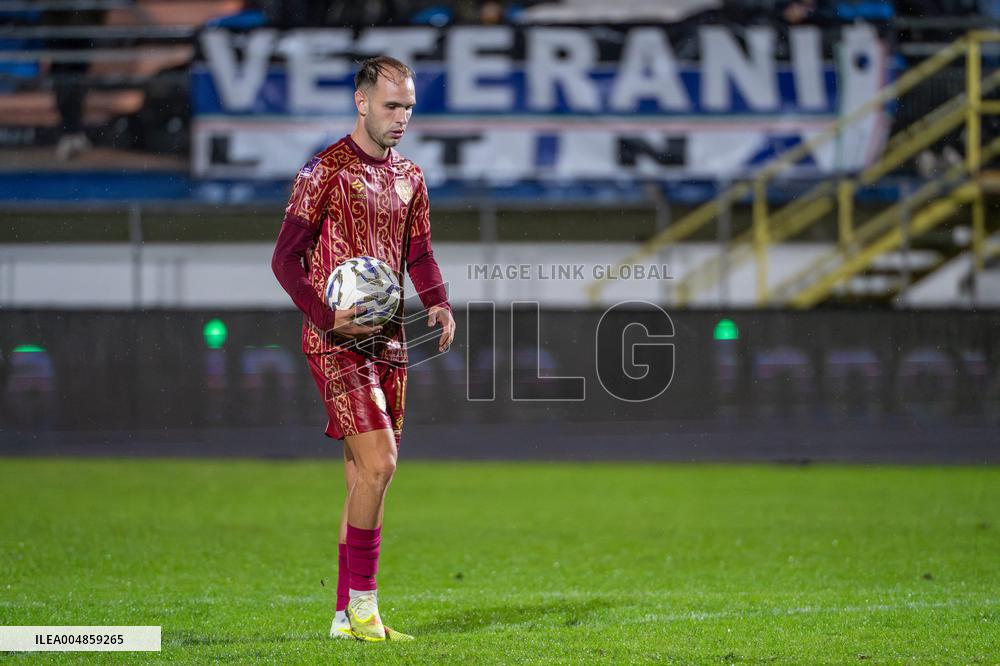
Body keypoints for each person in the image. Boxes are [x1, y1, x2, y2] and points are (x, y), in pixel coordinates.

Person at [270, 56, 455, 642]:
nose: (401, 117)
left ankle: (342, 618)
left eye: (408, 107)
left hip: (390, 339)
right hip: (334, 340)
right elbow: (284, 259)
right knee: (381, 465)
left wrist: (438, 302)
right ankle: (366, 610)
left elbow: (419, 255)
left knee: (362, 480)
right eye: (390, 105)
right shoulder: (323, 171)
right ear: (361, 101)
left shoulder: (411, 177)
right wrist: (328, 315)